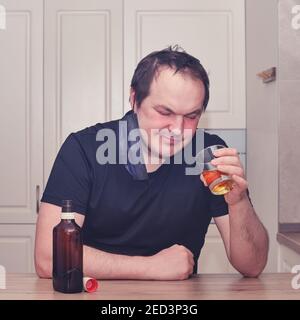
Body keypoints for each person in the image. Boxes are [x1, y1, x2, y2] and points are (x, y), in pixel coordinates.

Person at [35, 46, 269, 280]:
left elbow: (253, 266)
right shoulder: (83, 149)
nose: (178, 130)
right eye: (164, 112)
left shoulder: (208, 154)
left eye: (191, 116)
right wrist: (150, 267)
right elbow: (49, 258)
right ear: (135, 99)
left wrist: (238, 202)